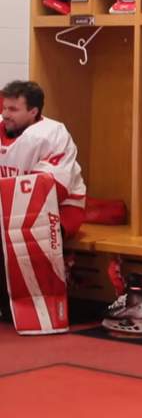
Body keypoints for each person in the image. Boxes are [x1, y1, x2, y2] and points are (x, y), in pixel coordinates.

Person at [1, 80, 86, 323]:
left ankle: (37, 307)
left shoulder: (53, 134)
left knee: (25, 233)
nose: (6, 114)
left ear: (33, 111)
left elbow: (50, 189)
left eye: (13, 109)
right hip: (7, 208)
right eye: (4, 108)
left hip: (59, 208)